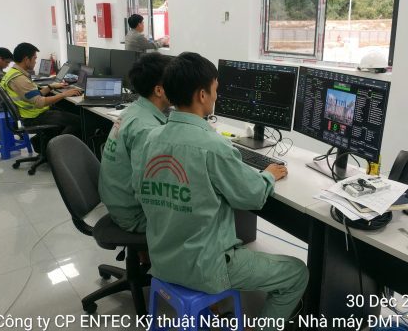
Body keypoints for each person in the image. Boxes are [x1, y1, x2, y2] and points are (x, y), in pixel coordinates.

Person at [133, 52, 308, 328]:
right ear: (202, 95)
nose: (217, 96)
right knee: (297, 273)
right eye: (215, 90)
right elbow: (252, 196)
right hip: (206, 267)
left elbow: (140, 189)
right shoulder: (213, 147)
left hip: (163, 258)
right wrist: (268, 175)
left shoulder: (149, 138)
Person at [99, 52, 172, 233]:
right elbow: (149, 191)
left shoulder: (134, 110)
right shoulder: (146, 129)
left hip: (118, 202)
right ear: (159, 90)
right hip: (135, 215)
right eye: (174, 82)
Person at [0, 42, 82, 138]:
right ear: (26, 59)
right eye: (34, 58)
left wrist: (50, 87)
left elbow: (34, 95)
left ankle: (46, 141)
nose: (35, 61)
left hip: (29, 114)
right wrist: (64, 94)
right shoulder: (19, 79)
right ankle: (57, 144)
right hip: (32, 118)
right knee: (79, 121)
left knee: (67, 110)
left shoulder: (12, 73)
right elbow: (40, 102)